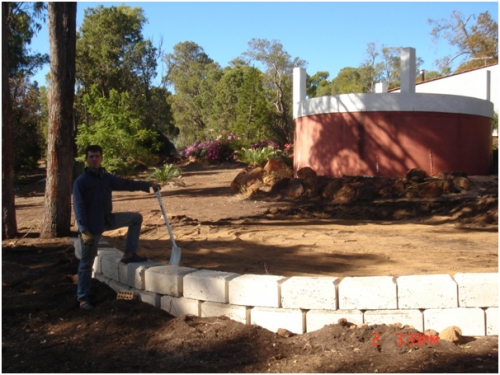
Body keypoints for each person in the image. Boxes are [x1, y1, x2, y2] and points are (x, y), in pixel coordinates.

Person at [73, 145, 161, 310]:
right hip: (91, 228)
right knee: (86, 263)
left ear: (101, 158)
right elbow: (78, 207)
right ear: (86, 159)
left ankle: (129, 253)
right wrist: (83, 230)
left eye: (97, 156)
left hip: (107, 219)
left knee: (135, 218)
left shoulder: (105, 178)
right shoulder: (81, 182)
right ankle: (83, 298)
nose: (94, 159)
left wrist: (146, 185)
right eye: (91, 156)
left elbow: (125, 183)